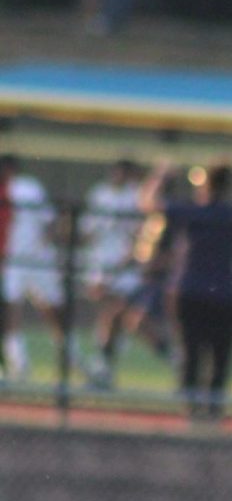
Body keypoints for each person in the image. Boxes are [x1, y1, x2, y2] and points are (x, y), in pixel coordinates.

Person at [139, 159, 232, 420]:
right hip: (225, 294)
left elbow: (147, 203)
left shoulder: (192, 211)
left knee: (191, 354)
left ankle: (191, 413)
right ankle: (212, 413)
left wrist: (160, 175)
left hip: (190, 292)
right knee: (219, 360)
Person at [0, 155, 93, 384]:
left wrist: (46, 246)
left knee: (54, 314)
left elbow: (49, 222)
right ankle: (18, 367)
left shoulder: (27, 188)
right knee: (11, 312)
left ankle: (77, 363)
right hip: (13, 261)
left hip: (39, 260)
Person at [80, 158, 146, 387]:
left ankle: (101, 366)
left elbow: (141, 234)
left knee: (117, 314)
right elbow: (87, 231)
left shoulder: (136, 196)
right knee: (110, 315)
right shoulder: (99, 194)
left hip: (126, 266)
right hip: (102, 264)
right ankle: (102, 367)